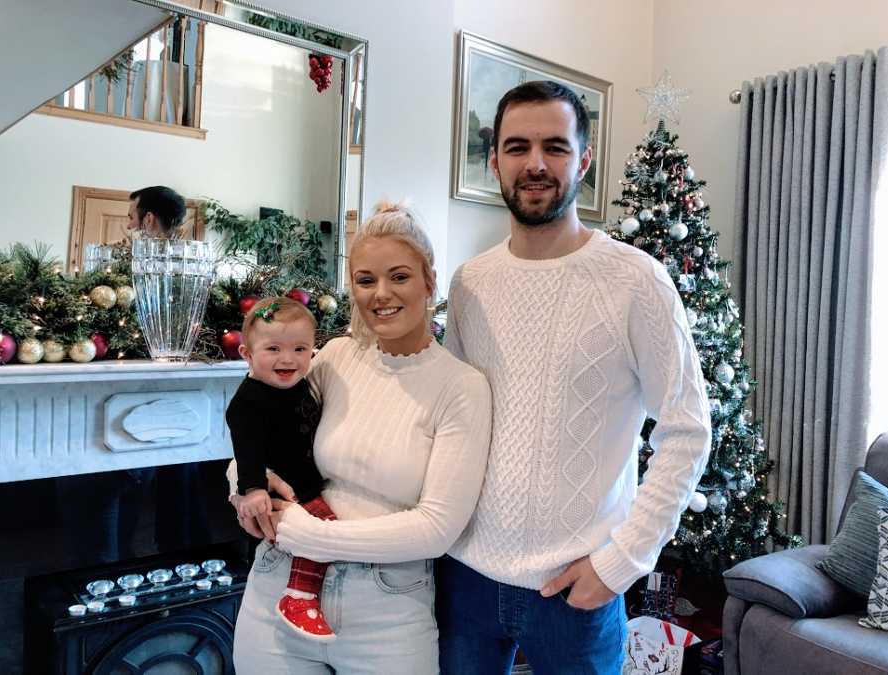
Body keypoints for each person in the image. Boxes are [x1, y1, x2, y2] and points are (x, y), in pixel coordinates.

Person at [438, 80, 712, 674]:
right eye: (517, 147)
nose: (535, 164)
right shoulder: (469, 283)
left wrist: (620, 564)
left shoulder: (637, 281)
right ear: (494, 161)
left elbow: (688, 431)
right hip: (465, 578)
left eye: (555, 147)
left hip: (576, 589)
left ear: (583, 160)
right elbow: (451, 420)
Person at [227, 202, 492, 674]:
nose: (381, 294)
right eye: (366, 280)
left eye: (400, 277)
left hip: (387, 611)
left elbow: (437, 528)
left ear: (430, 281)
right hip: (279, 581)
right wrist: (246, 483)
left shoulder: (461, 387)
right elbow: (255, 424)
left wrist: (318, 536)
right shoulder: (335, 357)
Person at [227, 296, 338, 641]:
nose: (288, 359)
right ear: (247, 354)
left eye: (300, 349)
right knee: (324, 528)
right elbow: (246, 450)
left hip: (308, 479)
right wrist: (254, 488)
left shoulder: (300, 382)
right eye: (273, 349)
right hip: (289, 488)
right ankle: (298, 597)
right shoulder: (249, 401)